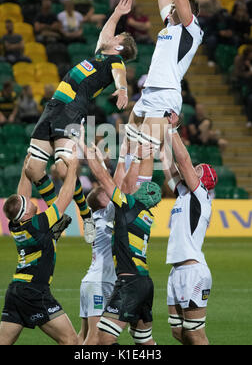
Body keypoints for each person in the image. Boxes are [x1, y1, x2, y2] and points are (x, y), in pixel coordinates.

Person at [25, 0, 137, 245]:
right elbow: (105, 33)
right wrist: (117, 12)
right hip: (54, 106)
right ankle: (58, 215)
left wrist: (123, 90)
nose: (113, 36)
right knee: (32, 169)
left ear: (119, 47)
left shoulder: (115, 61)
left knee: (64, 169)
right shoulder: (100, 55)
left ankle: (86, 216)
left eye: (118, 37)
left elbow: (120, 76)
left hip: (71, 111)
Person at [125, 0, 211, 189]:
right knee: (129, 149)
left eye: (176, 8)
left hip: (165, 95)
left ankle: (138, 204)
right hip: (148, 94)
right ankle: (122, 197)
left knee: (144, 153)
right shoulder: (170, 26)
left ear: (188, 14)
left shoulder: (191, 31)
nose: (171, 8)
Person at [80, 136, 161, 345]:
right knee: (144, 340)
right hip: (145, 281)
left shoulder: (126, 207)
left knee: (103, 339)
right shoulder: (146, 214)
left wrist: (134, 157)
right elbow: (123, 184)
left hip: (129, 281)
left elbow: (108, 179)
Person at [0, 152, 78, 345]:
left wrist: (25, 171)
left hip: (16, 290)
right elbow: (64, 199)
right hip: (34, 291)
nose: (30, 200)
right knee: (71, 341)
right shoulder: (38, 224)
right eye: (27, 203)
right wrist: (72, 168)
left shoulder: (16, 225)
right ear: (25, 214)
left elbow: (21, 196)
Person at [162, 121, 217, 346]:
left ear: (203, 181)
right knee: (179, 332)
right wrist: (159, 137)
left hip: (193, 270)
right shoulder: (185, 194)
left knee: (195, 334)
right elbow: (168, 165)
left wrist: (171, 129)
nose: (192, 168)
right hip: (177, 271)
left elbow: (182, 161)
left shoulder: (200, 195)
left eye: (197, 170)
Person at [78, 186, 117, 345]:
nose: (110, 195)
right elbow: (118, 193)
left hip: (89, 282)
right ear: (101, 202)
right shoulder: (105, 216)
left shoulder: (94, 219)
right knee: (95, 337)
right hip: (99, 283)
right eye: (106, 195)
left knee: (83, 334)